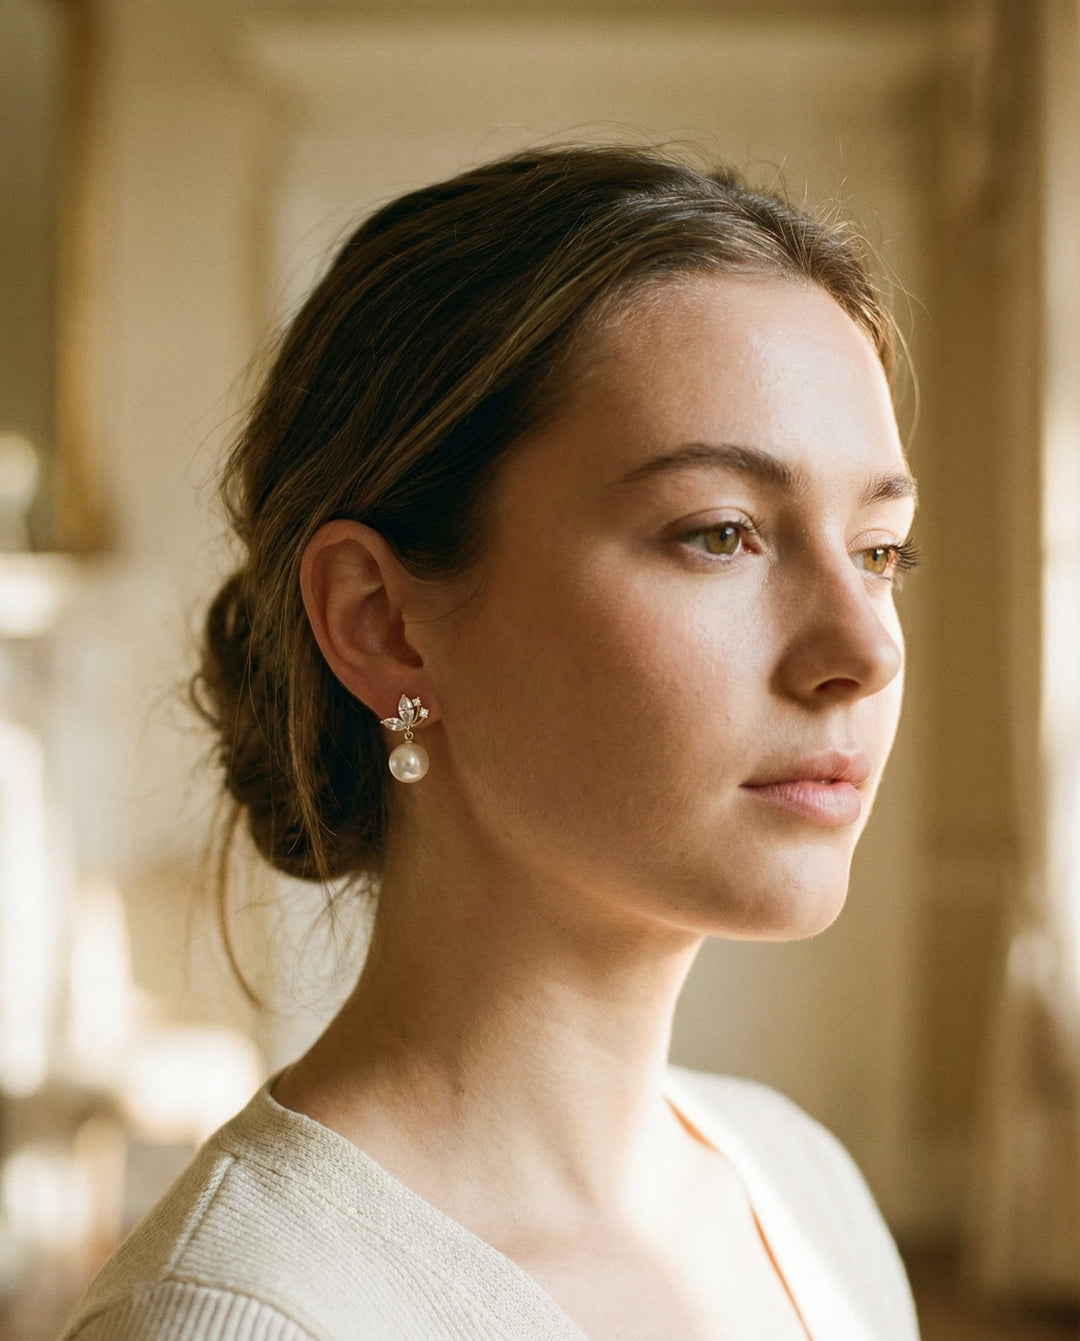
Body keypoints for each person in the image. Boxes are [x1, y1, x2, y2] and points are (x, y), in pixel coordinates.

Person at [61, 144, 922, 1340]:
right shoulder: (247, 1315)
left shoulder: (803, 1190)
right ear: (384, 625)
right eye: (721, 533)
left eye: (881, 550)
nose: (865, 651)